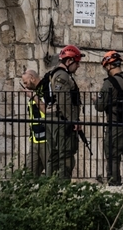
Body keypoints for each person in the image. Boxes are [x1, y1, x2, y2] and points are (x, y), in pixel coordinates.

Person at [94, 51, 123, 185]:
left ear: (109, 66)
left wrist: (96, 101)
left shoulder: (109, 83)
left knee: (113, 158)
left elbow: (100, 106)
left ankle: (114, 186)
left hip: (115, 126)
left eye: (106, 67)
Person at [46, 45, 82, 179]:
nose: (78, 66)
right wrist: (73, 120)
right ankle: (62, 185)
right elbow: (63, 100)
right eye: (76, 63)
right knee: (65, 155)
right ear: (69, 61)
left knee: (54, 156)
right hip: (61, 120)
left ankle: (51, 186)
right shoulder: (62, 75)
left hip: (55, 118)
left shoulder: (55, 74)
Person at [21, 69, 48, 176]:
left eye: (26, 83)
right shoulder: (34, 93)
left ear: (32, 78)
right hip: (35, 139)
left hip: (46, 140)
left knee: (52, 172)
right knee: (29, 174)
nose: (25, 86)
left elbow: (46, 110)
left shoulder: (44, 90)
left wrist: (33, 96)